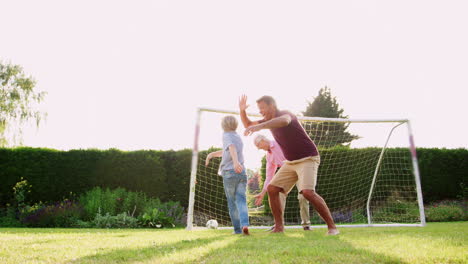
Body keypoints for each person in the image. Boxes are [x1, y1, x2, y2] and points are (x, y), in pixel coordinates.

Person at [239, 95, 339, 235]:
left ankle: (332, 227)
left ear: (272, 105)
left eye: (262, 108)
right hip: (291, 162)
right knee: (272, 189)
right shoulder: (268, 120)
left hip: (308, 158)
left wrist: (261, 126)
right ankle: (279, 227)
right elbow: (248, 125)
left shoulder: (286, 114)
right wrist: (242, 110)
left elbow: (284, 121)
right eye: (259, 109)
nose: (260, 111)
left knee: (307, 193)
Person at [253, 134, 311, 231]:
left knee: (303, 195)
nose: (260, 149)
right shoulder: (269, 156)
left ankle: (306, 225)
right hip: (288, 173)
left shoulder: (279, 142)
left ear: (263, 141)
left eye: (259, 146)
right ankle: (279, 224)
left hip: (300, 168)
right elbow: (269, 177)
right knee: (277, 194)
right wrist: (263, 193)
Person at [205, 115, 250, 235]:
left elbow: (231, 147)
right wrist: (211, 154)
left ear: (223, 125)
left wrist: (235, 162)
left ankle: (237, 230)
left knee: (232, 202)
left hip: (230, 172)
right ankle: (245, 224)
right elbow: (227, 151)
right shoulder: (237, 136)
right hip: (242, 173)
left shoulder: (226, 135)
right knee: (241, 200)